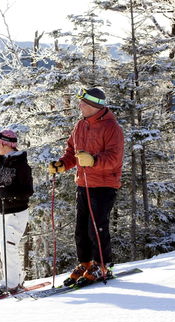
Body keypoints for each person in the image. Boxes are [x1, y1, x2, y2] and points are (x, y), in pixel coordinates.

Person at [48, 87, 124, 286]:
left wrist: (93, 160)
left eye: (83, 103)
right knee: (81, 229)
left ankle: (102, 265)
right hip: (83, 184)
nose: (80, 105)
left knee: (96, 228)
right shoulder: (80, 125)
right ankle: (86, 263)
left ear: (94, 106)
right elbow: (72, 152)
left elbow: (115, 158)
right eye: (80, 102)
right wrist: (63, 164)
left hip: (105, 185)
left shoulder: (112, 127)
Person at [0, 129, 34, 297]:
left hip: (16, 212)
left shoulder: (21, 164)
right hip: (2, 213)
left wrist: (9, 195)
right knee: (5, 248)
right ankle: (15, 280)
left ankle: (12, 284)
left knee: (8, 247)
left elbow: (27, 191)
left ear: (6, 144)